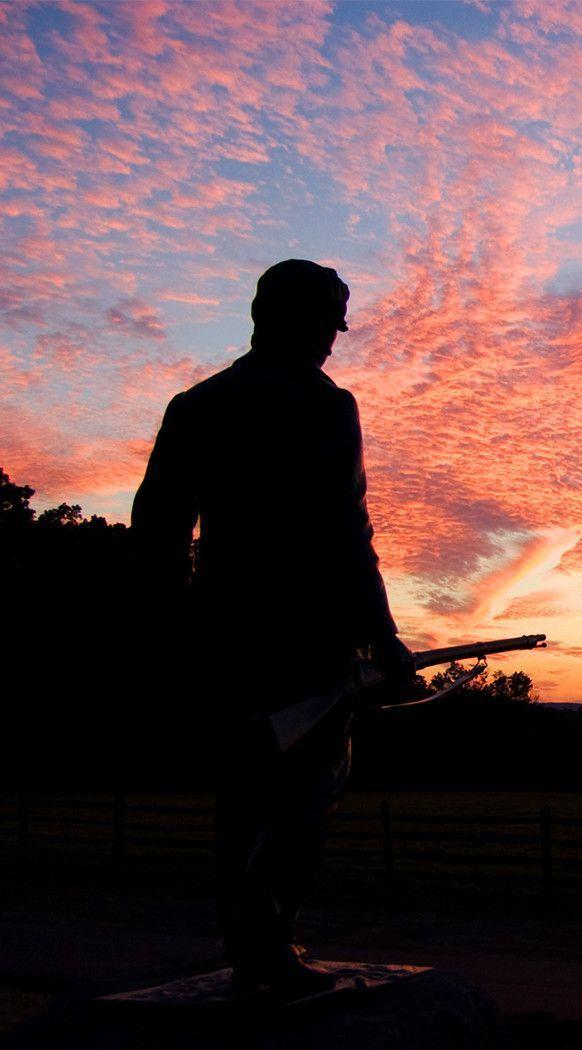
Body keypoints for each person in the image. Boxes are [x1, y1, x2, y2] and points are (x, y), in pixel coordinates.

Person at [130, 259, 412, 994]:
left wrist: (175, 626)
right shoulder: (324, 405)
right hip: (305, 635)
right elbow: (346, 532)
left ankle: (250, 942)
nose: (333, 343)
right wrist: (382, 640)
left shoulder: (198, 403)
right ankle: (269, 944)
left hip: (222, 628)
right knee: (310, 785)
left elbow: (158, 530)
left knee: (245, 787)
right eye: (328, 324)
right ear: (302, 320)